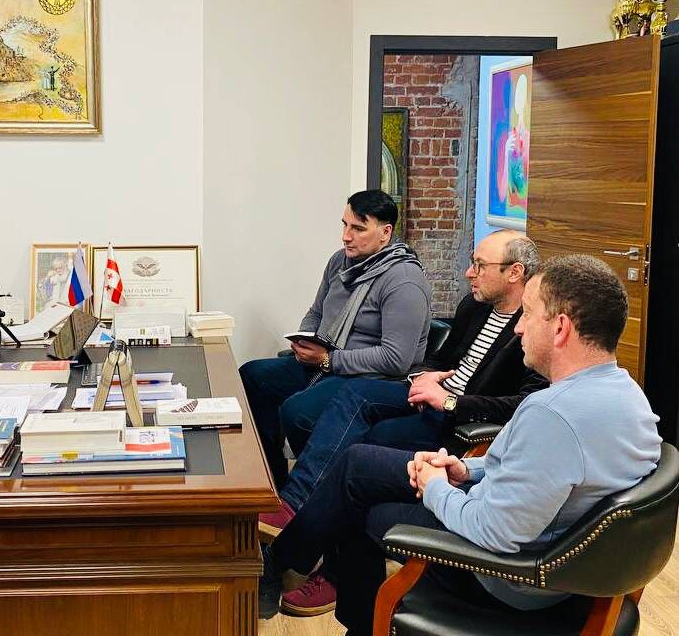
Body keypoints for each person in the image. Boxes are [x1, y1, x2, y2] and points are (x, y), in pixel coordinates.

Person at [259, 254, 661, 633]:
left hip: (508, 576)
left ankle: (309, 591)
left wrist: (435, 487)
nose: (518, 328)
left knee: (361, 508)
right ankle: (280, 563)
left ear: (560, 328)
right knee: (358, 463)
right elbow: (548, 469)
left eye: (528, 314)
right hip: (545, 546)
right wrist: (466, 469)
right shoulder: (627, 394)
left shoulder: (552, 414)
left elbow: (494, 532)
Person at [262, 230, 548, 616]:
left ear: (515, 272)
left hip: (461, 423)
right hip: (434, 396)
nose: (469, 272)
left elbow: (522, 405)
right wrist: (427, 376)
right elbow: (445, 359)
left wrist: (451, 401)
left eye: (480, 265)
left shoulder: (531, 332)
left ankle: (324, 570)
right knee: (354, 397)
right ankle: (297, 508)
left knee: (360, 450)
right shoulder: (474, 306)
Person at [240, 190, 432, 489]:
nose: (346, 236)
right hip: (325, 360)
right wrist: (305, 339)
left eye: (358, 228)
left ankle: (320, 490)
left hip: (368, 375)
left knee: (297, 411)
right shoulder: (339, 262)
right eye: (344, 225)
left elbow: (396, 359)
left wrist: (329, 360)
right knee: (253, 376)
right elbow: (316, 312)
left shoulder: (404, 280)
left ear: (385, 233)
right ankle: (272, 481)